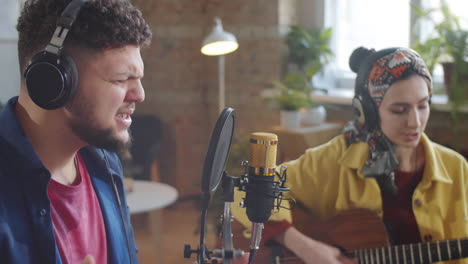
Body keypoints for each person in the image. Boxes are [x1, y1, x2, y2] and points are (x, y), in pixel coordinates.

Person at [232, 46, 468, 264]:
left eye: (423, 105)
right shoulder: (334, 159)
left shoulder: (456, 167)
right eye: (399, 110)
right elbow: (246, 188)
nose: (415, 122)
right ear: (367, 112)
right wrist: (305, 247)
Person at [0, 0, 151, 263]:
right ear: (51, 80)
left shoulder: (105, 164)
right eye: (120, 79)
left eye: (138, 79)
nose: (139, 95)